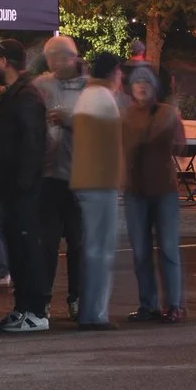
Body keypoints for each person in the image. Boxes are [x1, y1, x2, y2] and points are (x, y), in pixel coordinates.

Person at [0, 41, 51, 334]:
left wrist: (23, 184)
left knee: (27, 249)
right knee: (18, 248)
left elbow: (32, 142)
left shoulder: (25, 96)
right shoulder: (16, 94)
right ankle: (23, 307)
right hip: (14, 185)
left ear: (4, 61)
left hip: (22, 188)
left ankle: (36, 310)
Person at [121, 65, 187, 322]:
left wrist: (172, 129)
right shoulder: (126, 115)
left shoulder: (167, 113)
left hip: (163, 190)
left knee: (168, 248)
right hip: (135, 190)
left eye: (146, 82)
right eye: (137, 82)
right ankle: (147, 305)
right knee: (140, 251)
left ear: (154, 87)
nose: (141, 86)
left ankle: (174, 305)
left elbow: (181, 148)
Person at [69, 53, 126, 330]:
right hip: (100, 183)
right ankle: (95, 314)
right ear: (114, 72)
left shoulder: (86, 96)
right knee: (101, 251)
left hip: (83, 180)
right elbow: (113, 146)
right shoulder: (104, 99)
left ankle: (88, 311)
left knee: (91, 249)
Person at [34, 36, 89, 320]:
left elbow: (102, 125)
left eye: (59, 57)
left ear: (72, 57)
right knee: (47, 242)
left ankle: (77, 297)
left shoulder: (91, 88)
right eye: (50, 58)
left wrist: (71, 119)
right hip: (49, 175)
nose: (54, 63)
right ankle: (43, 299)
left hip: (79, 175)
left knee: (78, 242)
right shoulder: (42, 85)